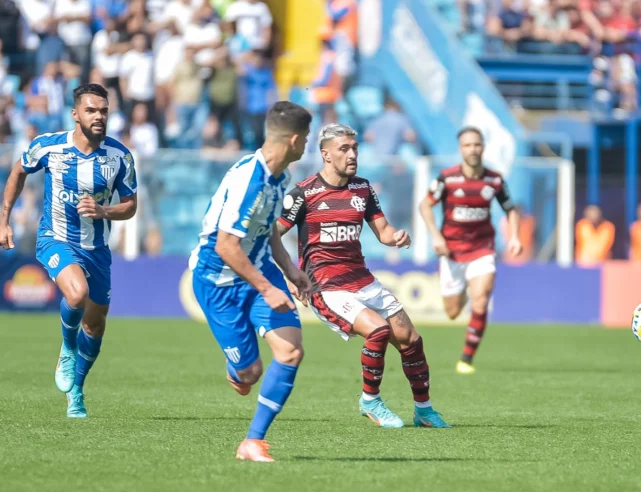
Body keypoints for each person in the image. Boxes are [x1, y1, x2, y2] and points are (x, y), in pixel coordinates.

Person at [277, 123, 451, 429]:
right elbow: (272, 235)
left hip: (362, 278)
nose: (352, 154)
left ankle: (423, 410)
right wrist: (291, 274)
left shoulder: (363, 188)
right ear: (326, 155)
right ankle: (370, 400)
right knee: (379, 331)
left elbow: (382, 232)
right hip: (325, 285)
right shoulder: (303, 194)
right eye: (344, 149)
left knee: (411, 340)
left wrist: (396, 236)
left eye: (355, 148)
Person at [0, 83, 138, 418]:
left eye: (103, 110)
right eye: (91, 110)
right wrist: (3, 220)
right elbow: (18, 172)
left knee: (97, 324)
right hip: (55, 238)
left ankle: (77, 391)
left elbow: (130, 205)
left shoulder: (119, 157)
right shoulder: (48, 147)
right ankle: (67, 348)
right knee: (77, 295)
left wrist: (104, 211)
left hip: (97, 248)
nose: (99, 116)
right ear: (75, 114)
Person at [188, 101, 314, 463]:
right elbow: (226, 246)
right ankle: (239, 368)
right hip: (218, 281)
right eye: (304, 139)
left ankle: (252, 442)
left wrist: (289, 268)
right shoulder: (250, 181)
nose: (305, 146)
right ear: (292, 139)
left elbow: (269, 229)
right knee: (250, 373)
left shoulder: (281, 178)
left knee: (290, 351)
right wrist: (267, 287)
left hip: (258, 269)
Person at [418, 126, 522, 374]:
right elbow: (425, 205)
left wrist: (515, 237)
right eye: (467, 145)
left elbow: (511, 209)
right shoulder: (447, 178)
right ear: (460, 149)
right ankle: (462, 287)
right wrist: (436, 236)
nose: (473, 149)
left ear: (483, 147)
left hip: (482, 248)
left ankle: (466, 358)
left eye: (477, 144)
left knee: (482, 298)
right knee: (452, 312)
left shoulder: (494, 180)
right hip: (452, 252)